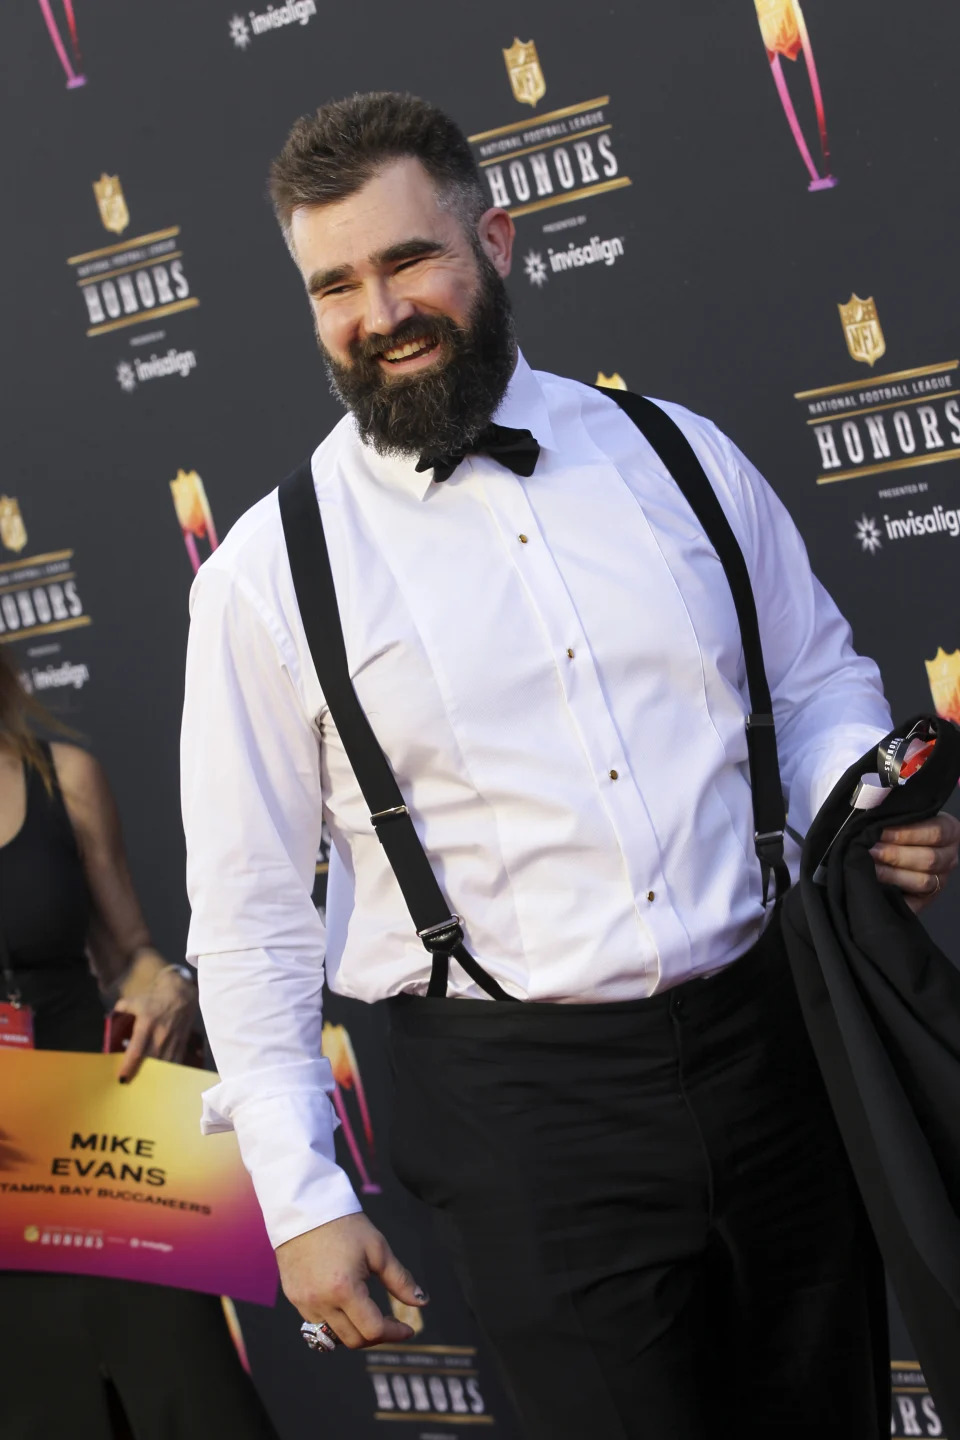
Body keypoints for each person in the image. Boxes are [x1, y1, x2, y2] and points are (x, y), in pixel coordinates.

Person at [180, 91, 960, 1439]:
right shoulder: (264, 572)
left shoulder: (680, 455)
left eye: (409, 260)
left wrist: (859, 813)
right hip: (522, 1122)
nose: (380, 314)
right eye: (336, 286)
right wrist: (303, 1199)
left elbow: (821, 679)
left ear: (499, 238)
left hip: (780, 1060)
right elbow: (251, 920)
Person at [0, 654, 277, 1440]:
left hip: (101, 1152)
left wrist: (167, 985)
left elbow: (131, 954)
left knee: (189, 1395)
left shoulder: (64, 777)